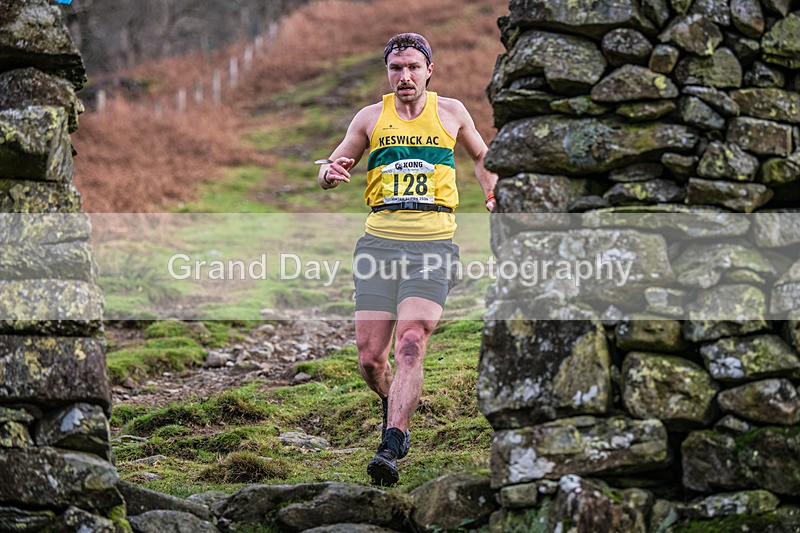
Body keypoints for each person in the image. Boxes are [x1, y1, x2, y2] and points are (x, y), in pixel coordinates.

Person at [317, 32, 498, 486]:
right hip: (378, 246)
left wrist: (492, 190)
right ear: (388, 72)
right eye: (396, 68)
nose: (404, 76)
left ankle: (392, 442)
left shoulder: (452, 112)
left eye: (413, 67)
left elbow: (481, 155)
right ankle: (391, 401)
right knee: (370, 361)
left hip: (433, 245)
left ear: (428, 70)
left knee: (412, 342)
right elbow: (335, 165)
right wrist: (330, 173)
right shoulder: (370, 117)